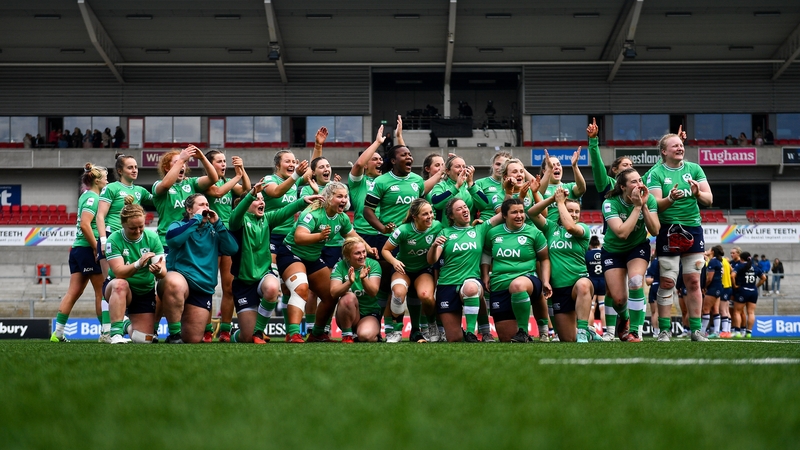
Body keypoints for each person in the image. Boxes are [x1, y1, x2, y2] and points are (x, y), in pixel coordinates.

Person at [279, 182, 375, 343]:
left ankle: (317, 333)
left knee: (332, 295)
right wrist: (319, 236)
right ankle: (293, 333)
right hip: (291, 254)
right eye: (339, 196)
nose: (344, 200)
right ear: (329, 198)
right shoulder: (312, 213)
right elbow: (299, 237)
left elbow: (352, 235)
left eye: (345, 196)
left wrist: (369, 248)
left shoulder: (342, 218)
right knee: (302, 289)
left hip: (313, 258)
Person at [227, 181, 318, 344]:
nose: (261, 202)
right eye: (257, 199)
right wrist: (250, 195)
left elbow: (284, 211)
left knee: (273, 286)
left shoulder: (266, 219)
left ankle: (258, 332)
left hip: (263, 275)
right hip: (243, 283)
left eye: (262, 199)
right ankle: (236, 334)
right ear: (246, 203)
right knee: (245, 338)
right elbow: (235, 215)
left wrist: (302, 201)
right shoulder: (237, 222)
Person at [646, 126, 713, 341]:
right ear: (663, 151)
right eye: (675, 145)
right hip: (667, 230)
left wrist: (697, 193)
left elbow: (709, 200)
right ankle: (664, 330)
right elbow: (654, 204)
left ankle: (695, 330)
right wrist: (671, 199)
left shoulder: (695, 169)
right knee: (667, 282)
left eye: (681, 145)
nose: (680, 148)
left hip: (692, 228)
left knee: (694, 281)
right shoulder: (657, 173)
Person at [364, 125, 426, 338]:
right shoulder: (381, 182)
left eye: (410, 154)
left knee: (412, 289)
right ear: (393, 160)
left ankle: (416, 330)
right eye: (404, 155)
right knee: (384, 289)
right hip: (387, 242)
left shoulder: (418, 181)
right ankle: (383, 330)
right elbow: (366, 211)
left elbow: (423, 210)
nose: (409, 157)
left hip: (413, 242)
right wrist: (382, 228)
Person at [158, 193, 238, 343]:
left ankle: (181, 331)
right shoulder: (179, 225)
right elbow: (173, 240)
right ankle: (174, 334)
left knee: (192, 339)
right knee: (173, 283)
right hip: (181, 280)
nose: (206, 208)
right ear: (189, 209)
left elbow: (232, 249)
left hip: (202, 288)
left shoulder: (214, 229)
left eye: (207, 205)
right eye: (201, 205)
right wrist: (196, 220)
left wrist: (219, 224)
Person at [426, 198, 504, 342]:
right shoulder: (445, 232)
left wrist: (510, 192)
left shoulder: (479, 229)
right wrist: (434, 246)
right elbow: (432, 260)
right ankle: (462, 331)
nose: (465, 210)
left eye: (465, 207)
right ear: (451, 216)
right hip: (447, 285)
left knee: (470, 288)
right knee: (454, 338)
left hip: (472, 282)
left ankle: (470, 333)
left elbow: (503, 212)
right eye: (459, 209)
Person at [586, 117, 635, 338]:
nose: (629, 169)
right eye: (624, 166)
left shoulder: (638, 188)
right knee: (613, 292)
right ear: (614, 171)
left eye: (631, 167)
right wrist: (593, 142)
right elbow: (596, 166)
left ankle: (634, 329)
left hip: (636, 243)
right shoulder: (607, 186)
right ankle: (611, 330)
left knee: (634, 284)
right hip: (614, 242)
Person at [599, 168, 660, 342]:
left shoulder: (650, 199)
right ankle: (624, 318)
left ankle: (635, 331)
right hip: (613, 250)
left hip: (637, 247)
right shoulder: (610, 203)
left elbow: (655, 230)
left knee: (635, 281)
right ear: (622, 187)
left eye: (640, 180)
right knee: (618, 299)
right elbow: (622, 233)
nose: (639, 184)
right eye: (633, 182)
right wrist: (637, 207)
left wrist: (645, 206)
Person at [51, 163, 109, 342]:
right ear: (97, 180)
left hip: (77, 249)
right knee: (102, 291)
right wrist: (95, 247)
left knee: (73, 292)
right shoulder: (92, 197)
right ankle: (106, 333)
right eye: (106, 177)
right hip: (86, 249)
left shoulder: (86, 194)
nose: (108, 180)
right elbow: (85, 225)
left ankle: (58, 333)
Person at [528, 188, 595, 342]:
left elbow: (570, 227)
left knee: (583, 285)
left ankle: (584, 330)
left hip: (578, 283)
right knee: (568, 339)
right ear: (561, 210)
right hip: (559, 288)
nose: (573, 214)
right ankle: (589, 333)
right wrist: (553, 199)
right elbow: (531, 212)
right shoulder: (552, 228)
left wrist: (560, 203)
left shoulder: (583, 229)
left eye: (577, 211)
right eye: (570, 210)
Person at [483, 198, 551, 342]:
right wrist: (485, 275)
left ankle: (524, 331)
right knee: (506, 339)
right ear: (504, 215)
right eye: (514, 212)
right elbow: (487, 254)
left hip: (527, 280)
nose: (519, 215)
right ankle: (523, 335)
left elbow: (544, 258)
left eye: (521, 211)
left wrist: (545, 281)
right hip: (499, 284)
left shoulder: (534, 233)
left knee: (517, 285)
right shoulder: (493, 233)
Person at [203, 150, 251, 343]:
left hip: (227, 234)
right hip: (209, 235)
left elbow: (247, 190)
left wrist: (242, 170)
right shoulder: (206, 182)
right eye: (219, 161)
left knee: (229, 287)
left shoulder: (228, 181)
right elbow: (218, 192)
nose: (223, 165)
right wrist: (237, 176)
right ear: (210, 164)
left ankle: (224, 329)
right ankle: (206, 330)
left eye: (225, 161)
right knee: (208, 285)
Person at [381, 198, 442, 343]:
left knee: (426, 296)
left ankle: (432, 325)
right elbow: (385, 250)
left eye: (431, 213)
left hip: (423, 270)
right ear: (415, 217)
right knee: (398, 293)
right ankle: (396, 331)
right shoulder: (403, 230)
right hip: (403, 269)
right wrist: (394, 261)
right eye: (425, 214)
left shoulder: (437, 226)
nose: (430, 216)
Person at [104, 201, 166, 344]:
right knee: (120, 284)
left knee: (145, 339)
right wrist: (139, 263)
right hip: (118, 289)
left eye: (141, 226)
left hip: (144, 292)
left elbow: (163, 272)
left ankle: (125, 325)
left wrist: (158, 270)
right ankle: (115, 334)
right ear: (123, 225)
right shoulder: (113, 239)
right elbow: (118, 272)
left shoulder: (152, 238)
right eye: (133, 228)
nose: (138, 231)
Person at [152, 145, 218, 248]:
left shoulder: (191, 183)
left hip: (190, 240)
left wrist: (202, 158)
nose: (182, 165)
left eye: (184, 163)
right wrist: (182, 159)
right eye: (177, 162)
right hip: (168, 242)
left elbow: (213, 178)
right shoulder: (158, 185)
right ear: (166, 168)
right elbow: (165, 185)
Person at [332, 237, 383, 343]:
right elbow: (333, 292)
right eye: (357, 253)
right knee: (349, 297)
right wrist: (349, 282)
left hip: (369, 313)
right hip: (348, 314)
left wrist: (364, 279)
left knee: (366, 336)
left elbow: (373, 292)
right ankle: (347, 336)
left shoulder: (373, 264)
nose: (362, 256)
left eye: (364, 251)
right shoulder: (339, 266)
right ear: (347, 256)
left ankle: (371, 333)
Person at [428, 154, 491, 226]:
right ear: (448, 171)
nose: (462, 169)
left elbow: (484, 205)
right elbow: (436, 203)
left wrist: (470, 184)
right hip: (446, 232)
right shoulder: (440, 186)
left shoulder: (472, 186)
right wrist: (456, 186)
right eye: (457, 166)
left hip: (468, 231)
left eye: (464, 166)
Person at [537, 147, 586, 223]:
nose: (556, 167)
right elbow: (538, 193)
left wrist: (575, 166)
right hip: (549, 231)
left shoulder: (569, 186)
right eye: (552, 166)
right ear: (544, 171)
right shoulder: (540, 188)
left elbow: (581, 189)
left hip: (568, 230)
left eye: (558, 164)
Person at [731, 251, 766, 339]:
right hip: (753, 291)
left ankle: (738, 332)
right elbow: (764, 278)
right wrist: (757, 286)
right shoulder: (754, 266)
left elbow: (732, 276)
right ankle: (749, 333)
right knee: (751, 312)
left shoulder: (740, 266)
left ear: (741, 258)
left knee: (737, 312)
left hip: (743, 290)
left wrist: (735, 285)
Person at [586, 236, 607, 339]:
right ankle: (605, 331)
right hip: (603, 280)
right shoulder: (603, 253)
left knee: (591, 307)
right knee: (602, 307)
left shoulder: (587, 254)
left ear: (590, 245)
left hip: (592, 281)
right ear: (599, 244)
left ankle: (591, 329)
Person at [701, 246, 725, 339]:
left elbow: (710, 278)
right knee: (715, 310)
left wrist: (704, 286)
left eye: (709, 249)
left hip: (713, 288)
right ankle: (716, 332)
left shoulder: (713, 262)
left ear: (713, 252)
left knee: (705, 309)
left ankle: (702, 332)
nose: (707, 250)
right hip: (718, 287)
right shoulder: (718, 261)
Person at [645, 252, 661, 337]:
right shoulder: (665, 260)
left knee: (654, 312)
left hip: (654, 287)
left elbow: (648, 281)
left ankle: (656, 331)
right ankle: (665, 330)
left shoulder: (652, 264)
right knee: (664, 311)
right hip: (663, 287)